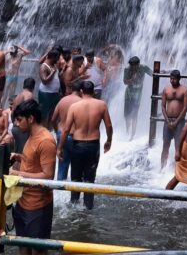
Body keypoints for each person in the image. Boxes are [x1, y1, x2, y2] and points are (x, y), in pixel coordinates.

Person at [9, 99, 57, 254]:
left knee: (39, 249)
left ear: (31, 119)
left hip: (38, 206)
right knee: (22, 244)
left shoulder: (46, 141)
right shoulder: (31, 135)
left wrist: (16, 174)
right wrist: (20, 158)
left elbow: (47, 176)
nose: (16, 124)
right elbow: (33, 163)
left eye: (19, 119)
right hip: (23, 201)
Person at [57, 80, 112, 209]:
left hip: (77, 145)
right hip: (93, 145)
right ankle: (88, 206)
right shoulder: (101, 105)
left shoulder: (74, 106)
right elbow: (109, 125)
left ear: (81, 92)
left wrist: (59, 147)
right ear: (93, 92)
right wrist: (109, 140)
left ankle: (74, 204)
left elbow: (65, 129)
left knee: (75, 178)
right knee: (90, 178)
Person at [51, 79, 82, 180]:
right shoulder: (81, 102)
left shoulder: (62, 100)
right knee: (77, 166)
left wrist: (57, 131)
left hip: (61, 134)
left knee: (62, 165)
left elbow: (53, 119)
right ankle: (74, 193)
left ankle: (59, 191)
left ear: (71, 89)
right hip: (75, 136)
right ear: (81, 91)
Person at [160, 69, 187, 169]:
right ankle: (162, 168)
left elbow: (185, 108)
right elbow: (163, 106)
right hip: (168, 121)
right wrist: (167, 121)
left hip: (179, 122)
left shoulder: (184, 90)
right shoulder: (166, 89)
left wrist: (176, 122)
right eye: (171, 78)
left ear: (179, 79)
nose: (172, 81)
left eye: (174, 79)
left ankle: (178, 170)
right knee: (165, 145)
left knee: (178, 146)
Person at [123, 56, 152, 139]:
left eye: (134, 66)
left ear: (138, 64)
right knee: (127, 116)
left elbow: (153, 74)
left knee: (134, 115)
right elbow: (125, 82)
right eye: (131, 66)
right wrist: (132, 79)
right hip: (128, 95)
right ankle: (127, 132)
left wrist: (162, 71)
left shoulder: (143, 68)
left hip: (137, 96)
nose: (132, 68)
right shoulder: (127, 69)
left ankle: (132, 135)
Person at [11, 78, 36, 152]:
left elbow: (12, 113)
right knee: (23, 153)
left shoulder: (18, 96)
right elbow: (30, 114)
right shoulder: (30, 96)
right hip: (22, 129)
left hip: (15, 128)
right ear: (33, 87)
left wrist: (15, 123)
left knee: (18, 152)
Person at [38, 50, 61, 129]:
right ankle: (42, 130)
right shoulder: (44, 67)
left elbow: (57, 78)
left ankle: (49, 129)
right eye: (57, 58)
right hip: (46, 94)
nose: (58, 60)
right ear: (52, 57)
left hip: (55, 93)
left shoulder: (54, 65)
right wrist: (52, 73)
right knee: (44, 114)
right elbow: (44, 81)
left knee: (53, 113)